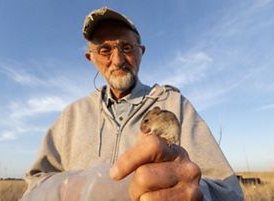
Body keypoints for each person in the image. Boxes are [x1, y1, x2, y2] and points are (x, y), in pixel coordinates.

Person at [21, 7, 243, 201]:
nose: (117, 60)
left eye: (126, 47)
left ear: (141, 52)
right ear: (91, 57)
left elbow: (229, 192)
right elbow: (34, 186)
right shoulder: (72, 115)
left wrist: (188, 189)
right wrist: (75, 188)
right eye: (105, 50)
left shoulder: (175, 103)